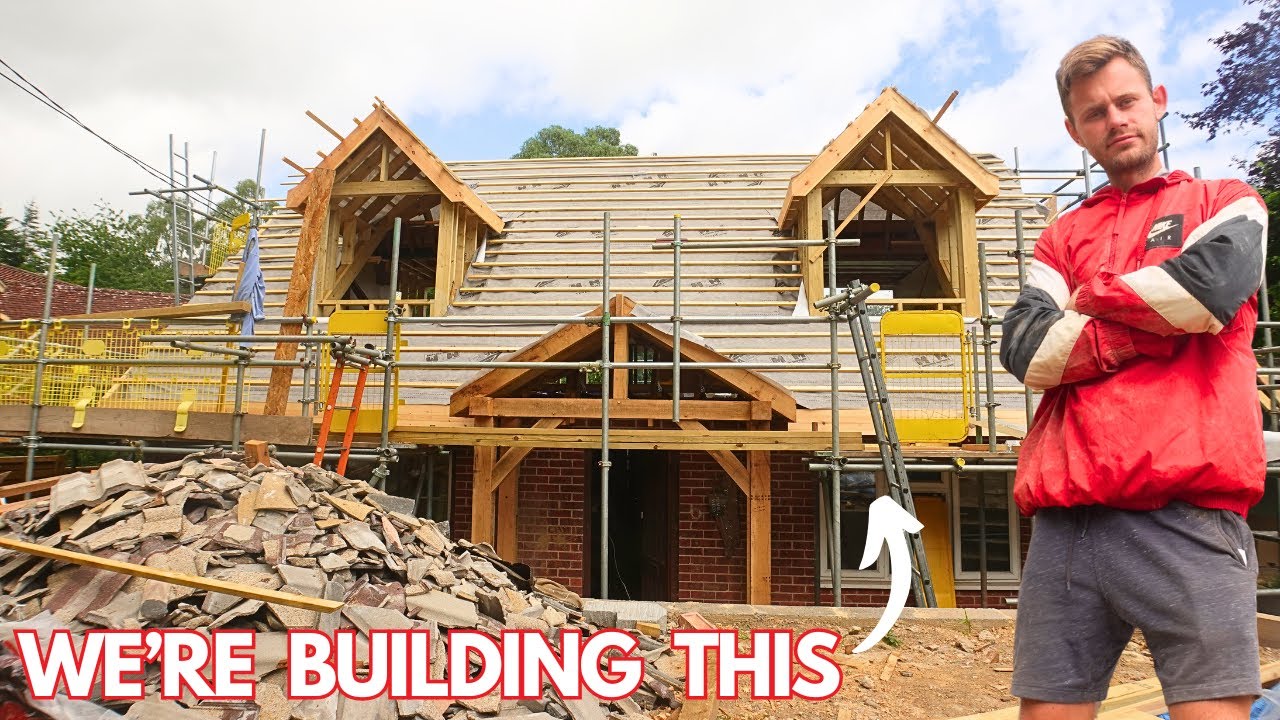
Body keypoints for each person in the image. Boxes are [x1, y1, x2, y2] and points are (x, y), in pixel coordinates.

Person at [999, 35, 1270, 720]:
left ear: (1158, 101)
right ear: (1074, 131)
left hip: (1189, 515)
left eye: (1126, 101)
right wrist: (1151, 323)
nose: (1115, 119)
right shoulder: (1061, 235)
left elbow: (1207, 290)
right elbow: (1028, 352)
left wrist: (1091, 299)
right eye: (1094, 112)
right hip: (1068, 521)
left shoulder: (1227, 201)